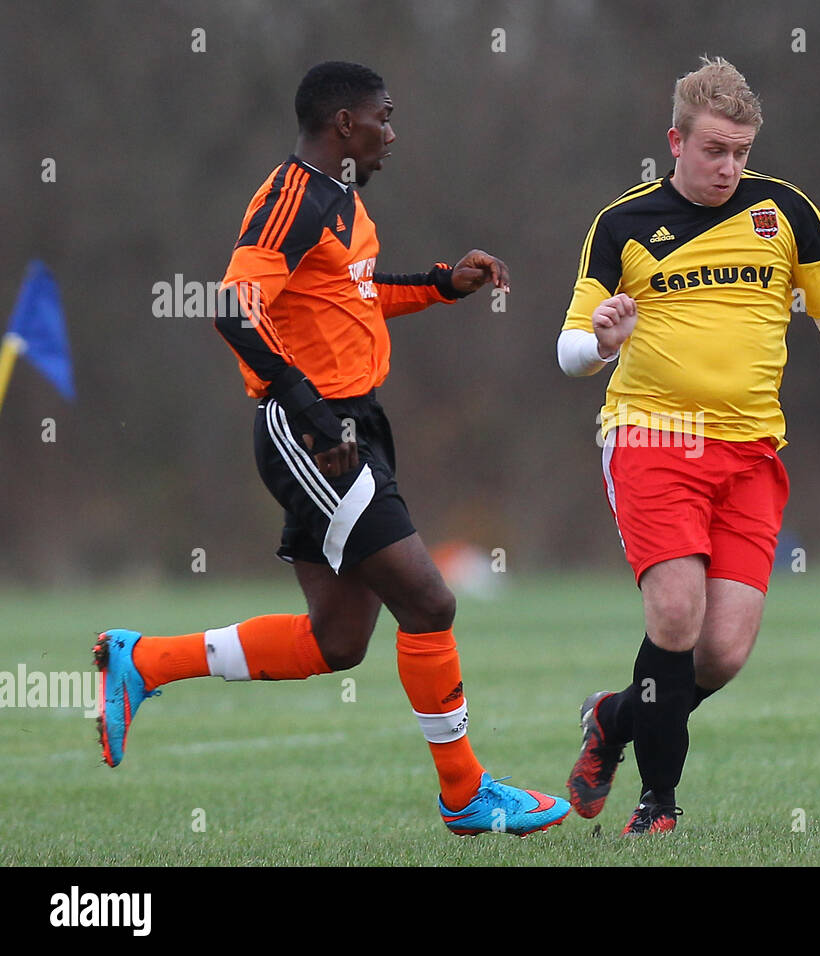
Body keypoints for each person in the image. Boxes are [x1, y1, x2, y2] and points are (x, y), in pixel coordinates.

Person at [94, 61, 569, 838]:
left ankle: (142, 663)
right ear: (344, 124)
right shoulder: (293, 195)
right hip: (314, 433)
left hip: (349, 424)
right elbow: (232, 307)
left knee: (339, 642)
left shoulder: (342, 201)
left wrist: (444, 283)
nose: (394, 132)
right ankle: (465, 795)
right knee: (431, 600)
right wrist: (309, 407)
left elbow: (357, 295)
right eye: (385, 116)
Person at [557, 56, 820, 834]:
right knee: (674, 616)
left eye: (741, 151)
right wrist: (601, 342)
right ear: (675, 139)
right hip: (650, 437)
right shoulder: (622, 223)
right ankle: (657, 808)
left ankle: (613, 720)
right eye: (713, 150)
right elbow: (568, 351)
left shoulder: (786, 211)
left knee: (722, 652)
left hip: (750, 454)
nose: (729, 167)